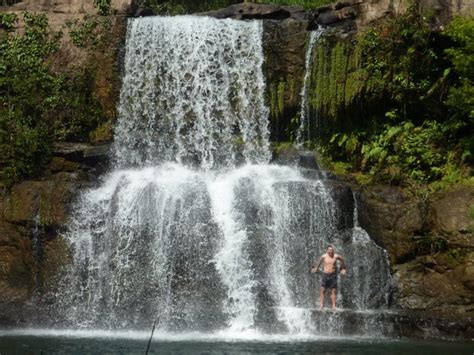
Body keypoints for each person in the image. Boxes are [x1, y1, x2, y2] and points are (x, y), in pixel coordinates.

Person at [310, 245, 347, 310]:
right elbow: (319, 263)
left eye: (332, 250)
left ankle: (333, 306)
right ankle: (321, 305)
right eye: (329, 250)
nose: (331, 251)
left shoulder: (336, 256)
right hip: (325, 275)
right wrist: (316, 268)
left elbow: (342, 260)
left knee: (334, 291)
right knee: (322, 290)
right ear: (327, 250)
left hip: (333, 275)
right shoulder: (323, 256)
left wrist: (343, 268)